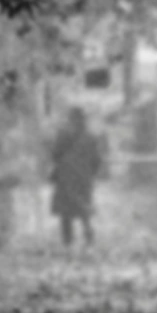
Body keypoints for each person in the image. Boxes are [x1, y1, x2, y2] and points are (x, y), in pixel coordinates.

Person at [48, 106, 106, 248]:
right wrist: (90, 173)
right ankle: (88, 237)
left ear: (70, 119)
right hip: (83, 178)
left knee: (65, 212)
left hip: (65, 177)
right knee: (84, 208)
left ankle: (68, 243)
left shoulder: (63, 135)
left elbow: (55, 154)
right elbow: (97, 160)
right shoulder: (90, 137)